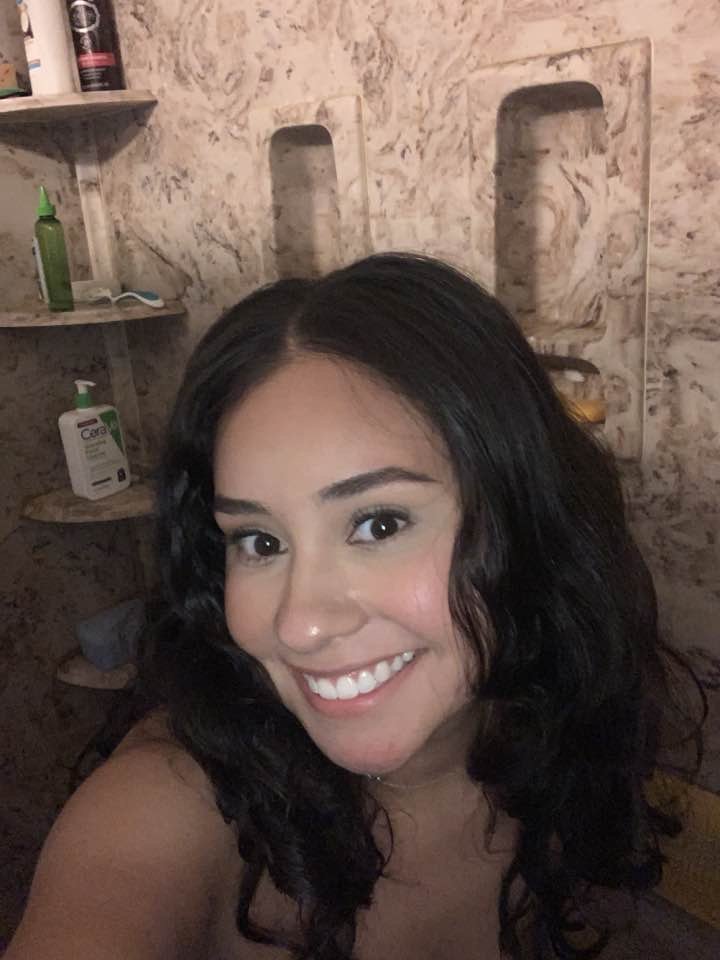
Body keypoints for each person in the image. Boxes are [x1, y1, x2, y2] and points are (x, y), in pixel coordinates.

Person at [6, 253, 702, 960]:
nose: (300, 624)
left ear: (527, 519)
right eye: (260, 541)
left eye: (379, 524)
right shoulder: (164, 810)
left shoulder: (567, 728)